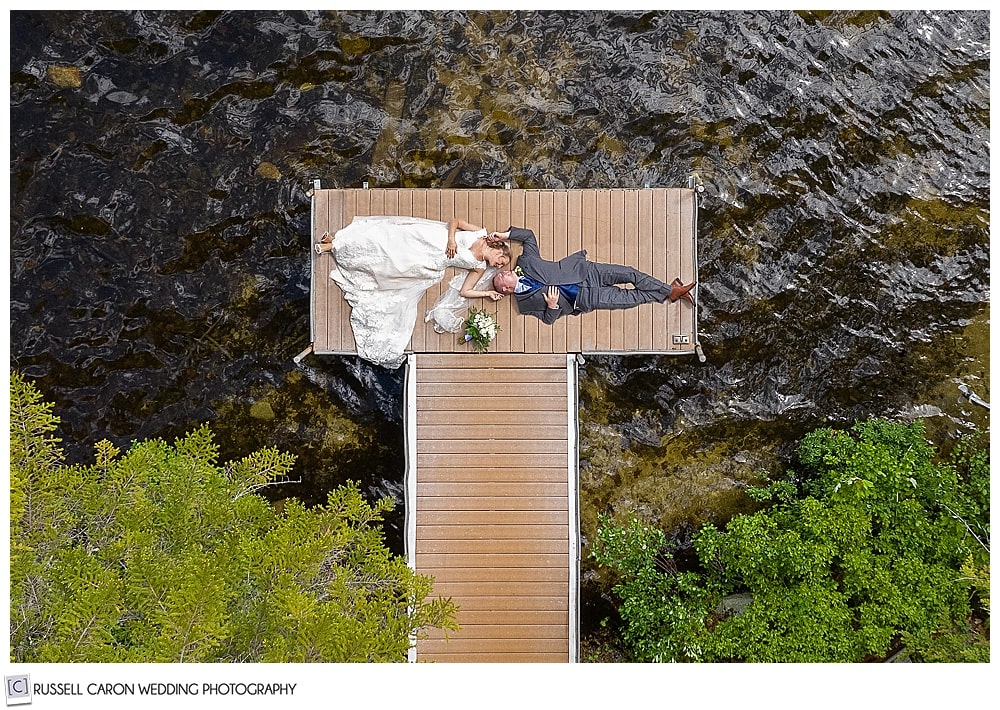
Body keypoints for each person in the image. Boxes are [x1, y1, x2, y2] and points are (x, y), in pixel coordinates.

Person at [314, 215, 510, 368]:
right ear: (499, 251)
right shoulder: (480, 233)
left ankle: (333, 245)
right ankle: (335, 243)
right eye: (500, 262)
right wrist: (451, 240)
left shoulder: (479, 267)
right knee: (388, 238)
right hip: (433, 238)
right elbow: (455, 221)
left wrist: (487, 294)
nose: (497, 266)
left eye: (500, 266)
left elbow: (466, 291)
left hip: (431, 260)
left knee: (391, 260)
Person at [490, 226, 695, 324]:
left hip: (587, 272)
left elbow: (528, 236)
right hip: (584, 299)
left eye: (502, 272)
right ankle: (672, 291)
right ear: (506, 289)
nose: (504, 272)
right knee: (629, 299)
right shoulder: (524, 305)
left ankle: (671, 291)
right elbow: (547, 320)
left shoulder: (525, 262)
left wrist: (505, 235)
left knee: (630, 273)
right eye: (501, 278)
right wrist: (552, 307)